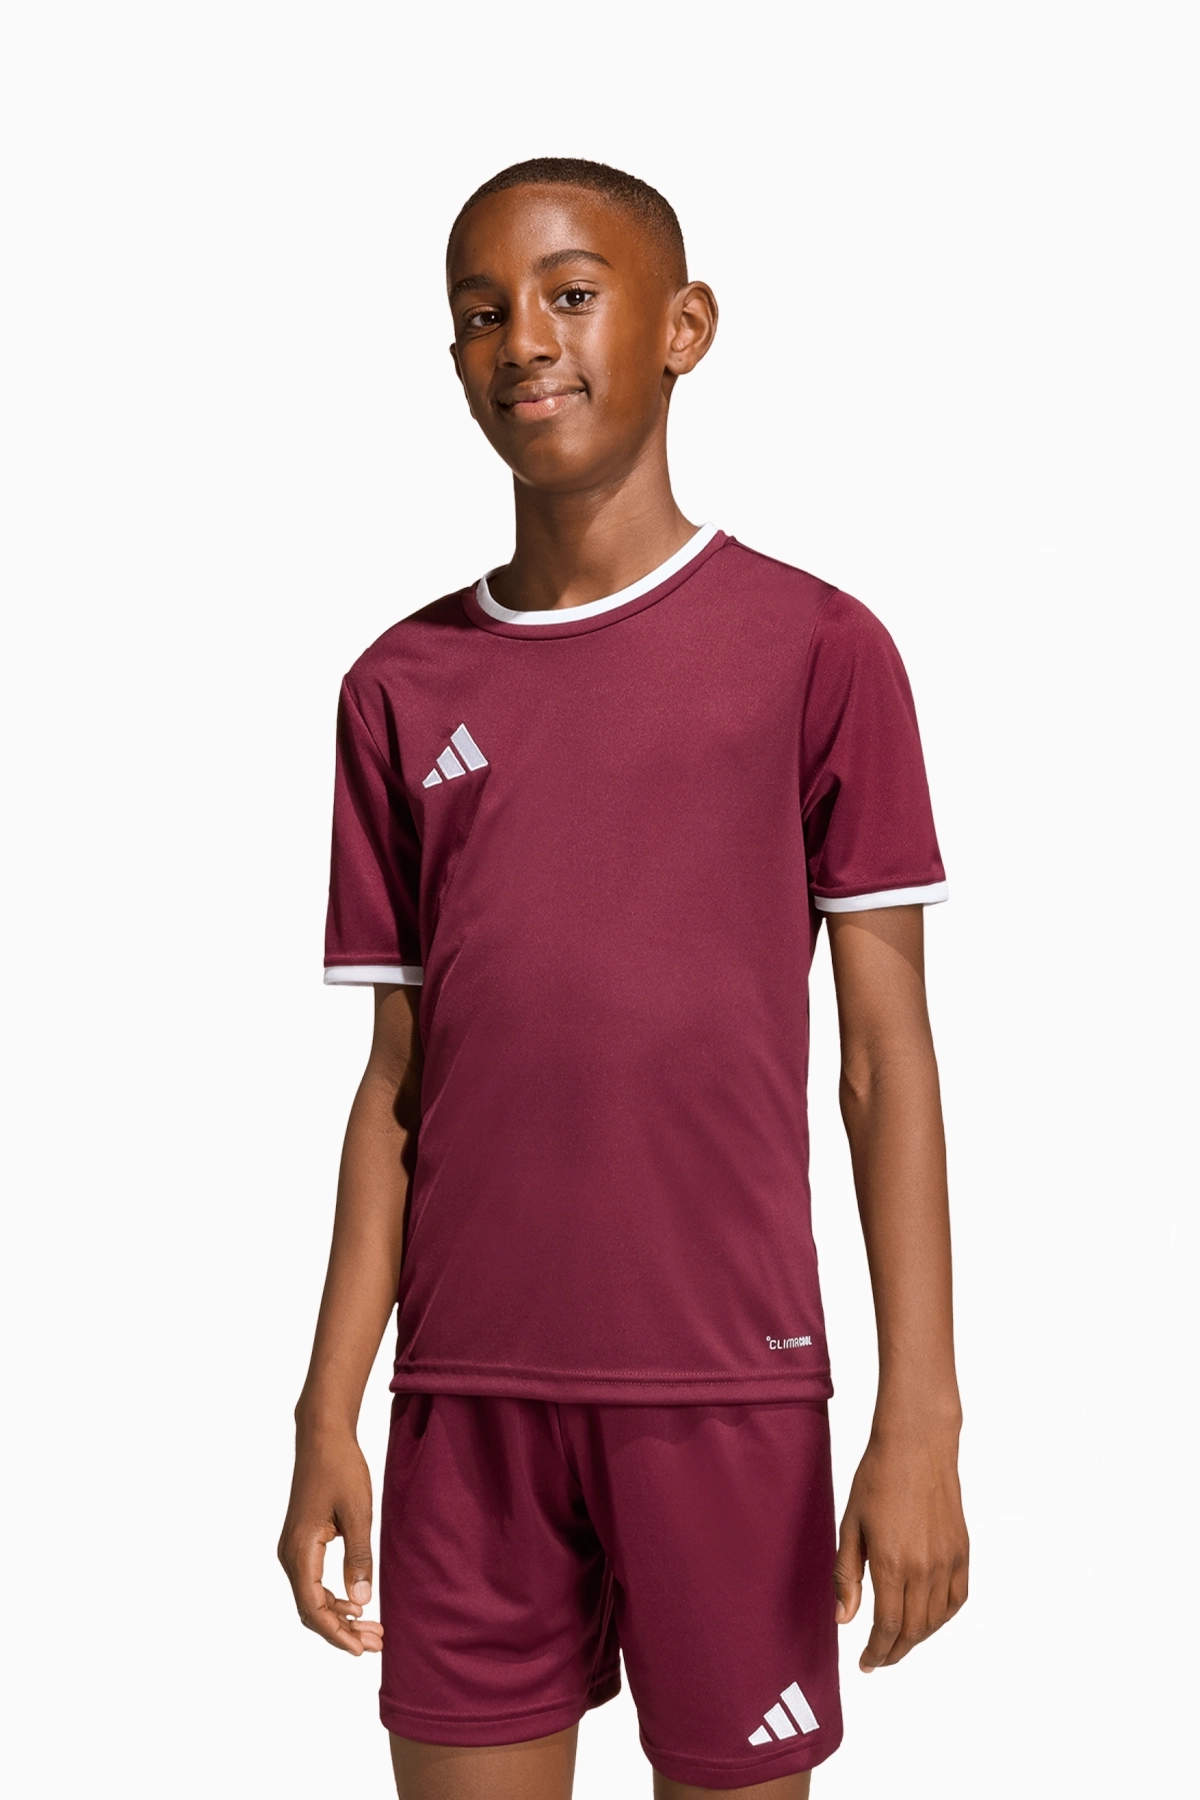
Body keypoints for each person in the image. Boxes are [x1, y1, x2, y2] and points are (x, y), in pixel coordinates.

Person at [278, 156, 969, 1800]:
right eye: (479, 313)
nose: (523, 339)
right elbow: (400, 1084)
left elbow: (884, 1065)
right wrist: (325, 1410)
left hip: (723, 1393)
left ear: (684, 326)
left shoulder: (818, 649)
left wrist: (921, 1421)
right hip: (464, 1404)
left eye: (571, 294)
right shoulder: (398, 686)